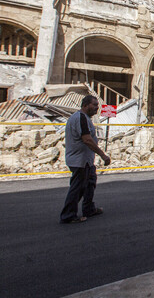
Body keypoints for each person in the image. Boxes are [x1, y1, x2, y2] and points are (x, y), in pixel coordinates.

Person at [60, 95, 111, 224]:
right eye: (94, 105)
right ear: (85, 105)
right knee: (78, 187)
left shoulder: (84, 118)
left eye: (97, 106)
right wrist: (102, 154)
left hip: (86, 160)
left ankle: (88, 208)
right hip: (79, 160)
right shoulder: (80, 118)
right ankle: (68, 215)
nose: (96, 108)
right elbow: (87, 139)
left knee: (89, 183)